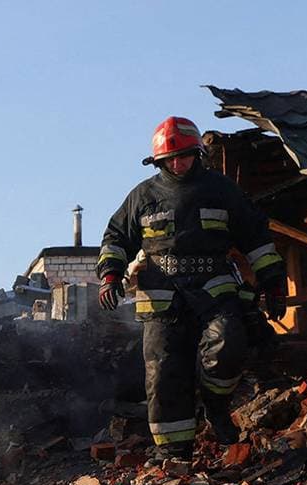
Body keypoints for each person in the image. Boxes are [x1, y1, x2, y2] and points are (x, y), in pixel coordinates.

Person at [96, 116, 285, 458]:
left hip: (213, 285)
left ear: (198, 154)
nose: (178, 164)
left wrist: (273, 284)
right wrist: (110, 275)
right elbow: (115, 238)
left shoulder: (222, 190)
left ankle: (215, 408)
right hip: (160, 295)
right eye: (170, 159)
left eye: (184, 156)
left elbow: (256, 237)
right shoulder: (142, 196)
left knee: (228, 344)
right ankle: (173, 452)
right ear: (159, 162)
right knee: (164, 371)